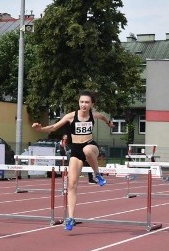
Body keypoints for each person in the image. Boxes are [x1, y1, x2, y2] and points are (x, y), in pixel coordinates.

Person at [32, 90, 115, 232]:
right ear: (79, 103)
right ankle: (70, 218)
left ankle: (97, 174)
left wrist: (109, 123)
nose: (84, 104)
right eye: (81, 102)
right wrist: (40, 129)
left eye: (87, 102)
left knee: (88, 151)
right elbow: (53, 127)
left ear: (92, 104)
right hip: (76, 150)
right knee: (71, 184)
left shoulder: (94, 115)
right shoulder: (71, 116)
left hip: (90, 146)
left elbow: (103, 117)